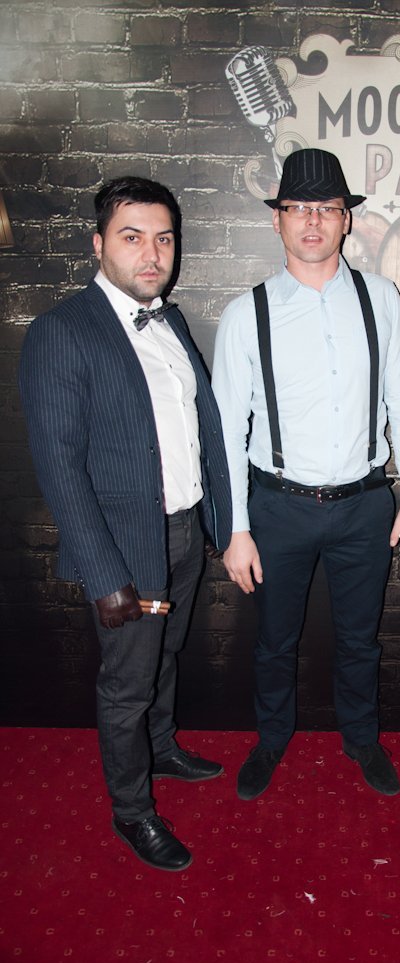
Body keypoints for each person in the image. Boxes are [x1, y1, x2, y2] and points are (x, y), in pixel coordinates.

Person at [19, 177, 233, 872]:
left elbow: (199, 428)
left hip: (183, 533)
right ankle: (132, 811)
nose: (152, 253)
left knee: (166, 655)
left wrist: (216, 522)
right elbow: (59, 466)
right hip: (125, 548)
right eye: (132, 237)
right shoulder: (62, 331)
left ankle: (161, 748)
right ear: (98, 244)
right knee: (127, 684)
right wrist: (104, 575)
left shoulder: (170, 322)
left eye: (163, 238)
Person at [212, 148, 400, 800]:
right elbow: (225, 434)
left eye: (326, 208)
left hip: (365, 504)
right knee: (273, 641)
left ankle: (361, 737)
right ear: (277, 219)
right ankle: (271, 739)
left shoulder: (381, 299)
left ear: (346, 220)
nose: (312, 221)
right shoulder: (246, 314)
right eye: (298, 208)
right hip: (277, 507)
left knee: (361, 640)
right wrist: (236, 528)